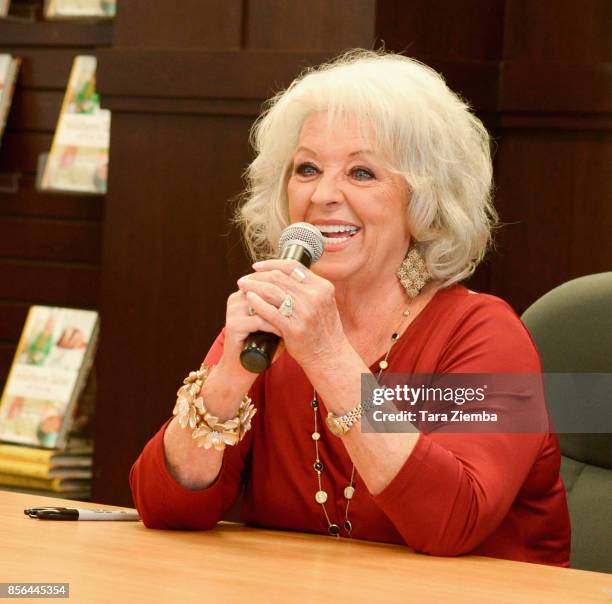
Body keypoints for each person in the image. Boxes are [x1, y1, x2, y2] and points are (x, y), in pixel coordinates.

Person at [130, 50, 570, 566]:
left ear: (424, 200)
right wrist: (230, 376)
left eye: (362, 173)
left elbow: (451, 522)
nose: (323, 195)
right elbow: (165, 507)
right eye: (307, 168)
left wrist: (327, 356)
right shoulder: (273, 322)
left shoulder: (488, 334)